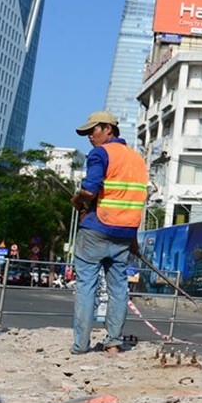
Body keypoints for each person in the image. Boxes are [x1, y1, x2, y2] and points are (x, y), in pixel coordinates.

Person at [69, 110, 148, 356]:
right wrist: (133, 240)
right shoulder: (138, 160)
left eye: (92, 131)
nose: (89, 137)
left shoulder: (100, 154)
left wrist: (77, 200)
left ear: (107, 129)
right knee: (118, 289)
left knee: (86, 287)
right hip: (124, 235)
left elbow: (90, 190)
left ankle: (81, 345)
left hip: (96, 230)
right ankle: (113, 342)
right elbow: (133, 202)